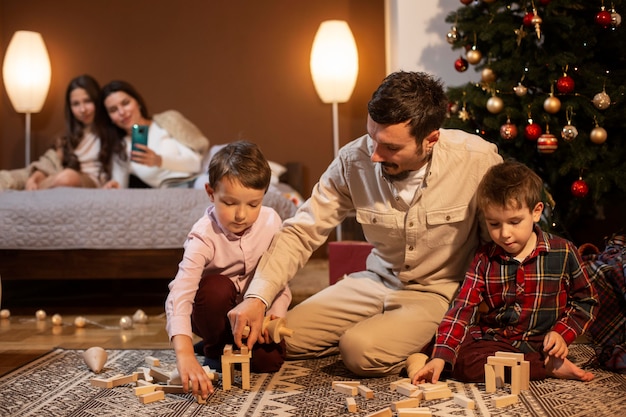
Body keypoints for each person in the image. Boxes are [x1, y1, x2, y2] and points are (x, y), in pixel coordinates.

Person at [228, 71, 504, 377]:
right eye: (371, 137)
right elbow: (302, 231)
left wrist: (482, 307)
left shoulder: (477, 160)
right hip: (375, 282)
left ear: (431, 139)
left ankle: (420, 342)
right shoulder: (352, 160)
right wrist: (257, 297)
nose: (374, 155)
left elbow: (497, 242)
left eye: (390, 147)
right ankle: (388, 334)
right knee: (280, 338)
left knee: (358, 351)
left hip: (439, 293)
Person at [412, 160, 598, 385]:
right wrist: (442, 355)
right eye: (494, 224)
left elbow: (586, 301)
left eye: (514, 222)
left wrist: (562, 333)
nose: (505, 234)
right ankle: (544, 367)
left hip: (543, 342)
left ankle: (543, 361)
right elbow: (463, 307)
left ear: (536, 212)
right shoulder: (484, 258)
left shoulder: (564, 251)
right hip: (496, 341)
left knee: (462, 362)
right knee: (451, 356)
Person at [165, 140, 292, 399]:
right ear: (211, 193)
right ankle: (213, 344)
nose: (241, 215)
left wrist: (274, 317)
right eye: (230, 203)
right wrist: (185, 354)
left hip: (254, 312)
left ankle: (220, 348)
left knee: (269, 362)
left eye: (253, 204)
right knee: (216, 287)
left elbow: (279, 279)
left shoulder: (272, 221)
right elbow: (181, 291)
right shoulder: (202, 235)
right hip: (213, 311)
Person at [0, 74, 124, 191]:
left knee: (67, 177)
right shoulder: (68, 137)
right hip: (57, 174)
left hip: (89, 182)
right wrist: (36, 176)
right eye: (76, 104)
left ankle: (32, 191)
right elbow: (48, 163)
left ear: (97, 101)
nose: (83, 109)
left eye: (87, 101)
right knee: (7, 178)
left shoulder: (111, 131)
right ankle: (31, 187)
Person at [100, 80, 209, 189]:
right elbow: (120, 186)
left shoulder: (165, 124)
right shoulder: (121, 148)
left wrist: (159, 160)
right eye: (113, 110)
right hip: (168, 193)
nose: (122, 112)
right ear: (110, 118)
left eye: (125, 103)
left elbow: (196, 164)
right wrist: (113, 187)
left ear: (137, 103)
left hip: (197, 181)